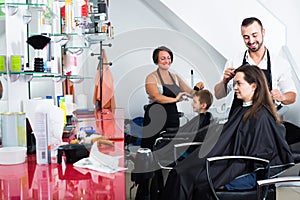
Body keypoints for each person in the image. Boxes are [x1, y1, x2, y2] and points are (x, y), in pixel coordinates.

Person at [162, 65, 294, 200]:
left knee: (186, 176)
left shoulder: (261, 116)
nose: (235, 88)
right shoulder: (241, 110)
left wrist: (226, 179)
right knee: (180, 172)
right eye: (234, 83)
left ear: (253, 86)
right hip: (229, 162)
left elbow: (259, 158)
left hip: (240, 170)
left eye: (239, 83)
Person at [135, 46, 204, 200]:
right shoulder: (151, 78)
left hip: (172, 118)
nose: (166, 60)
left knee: (167, 153)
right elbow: (157, 97)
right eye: (163, 58)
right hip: (154, 118)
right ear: (156, 61)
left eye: (168, 58)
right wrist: (175, 99)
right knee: (149, 154)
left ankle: (165, 190)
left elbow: (190, 93)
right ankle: (145, 192)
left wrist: (197, 89)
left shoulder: (175, 77)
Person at [214, 17, 296, 117]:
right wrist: (224, 81)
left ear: (263, 32)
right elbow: (218, 95)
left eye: (254, 35)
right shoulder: (234, 61)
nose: (251, 41)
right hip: (240, 120)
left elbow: (292, 96)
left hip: (266, 119)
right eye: (246, 37)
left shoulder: (279, 63)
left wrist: (282, 97)